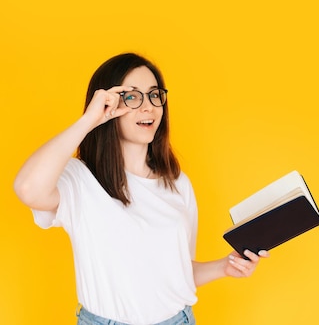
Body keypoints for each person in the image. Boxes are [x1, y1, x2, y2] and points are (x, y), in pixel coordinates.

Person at [14, 52, 268, 325]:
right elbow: (28, 188)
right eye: (132, 97)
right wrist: (89, 121)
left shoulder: (177, 183)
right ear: (107, 105)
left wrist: (226, 266)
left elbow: (179, 272)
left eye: (154, 95)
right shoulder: (80, 179)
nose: (148, 107)